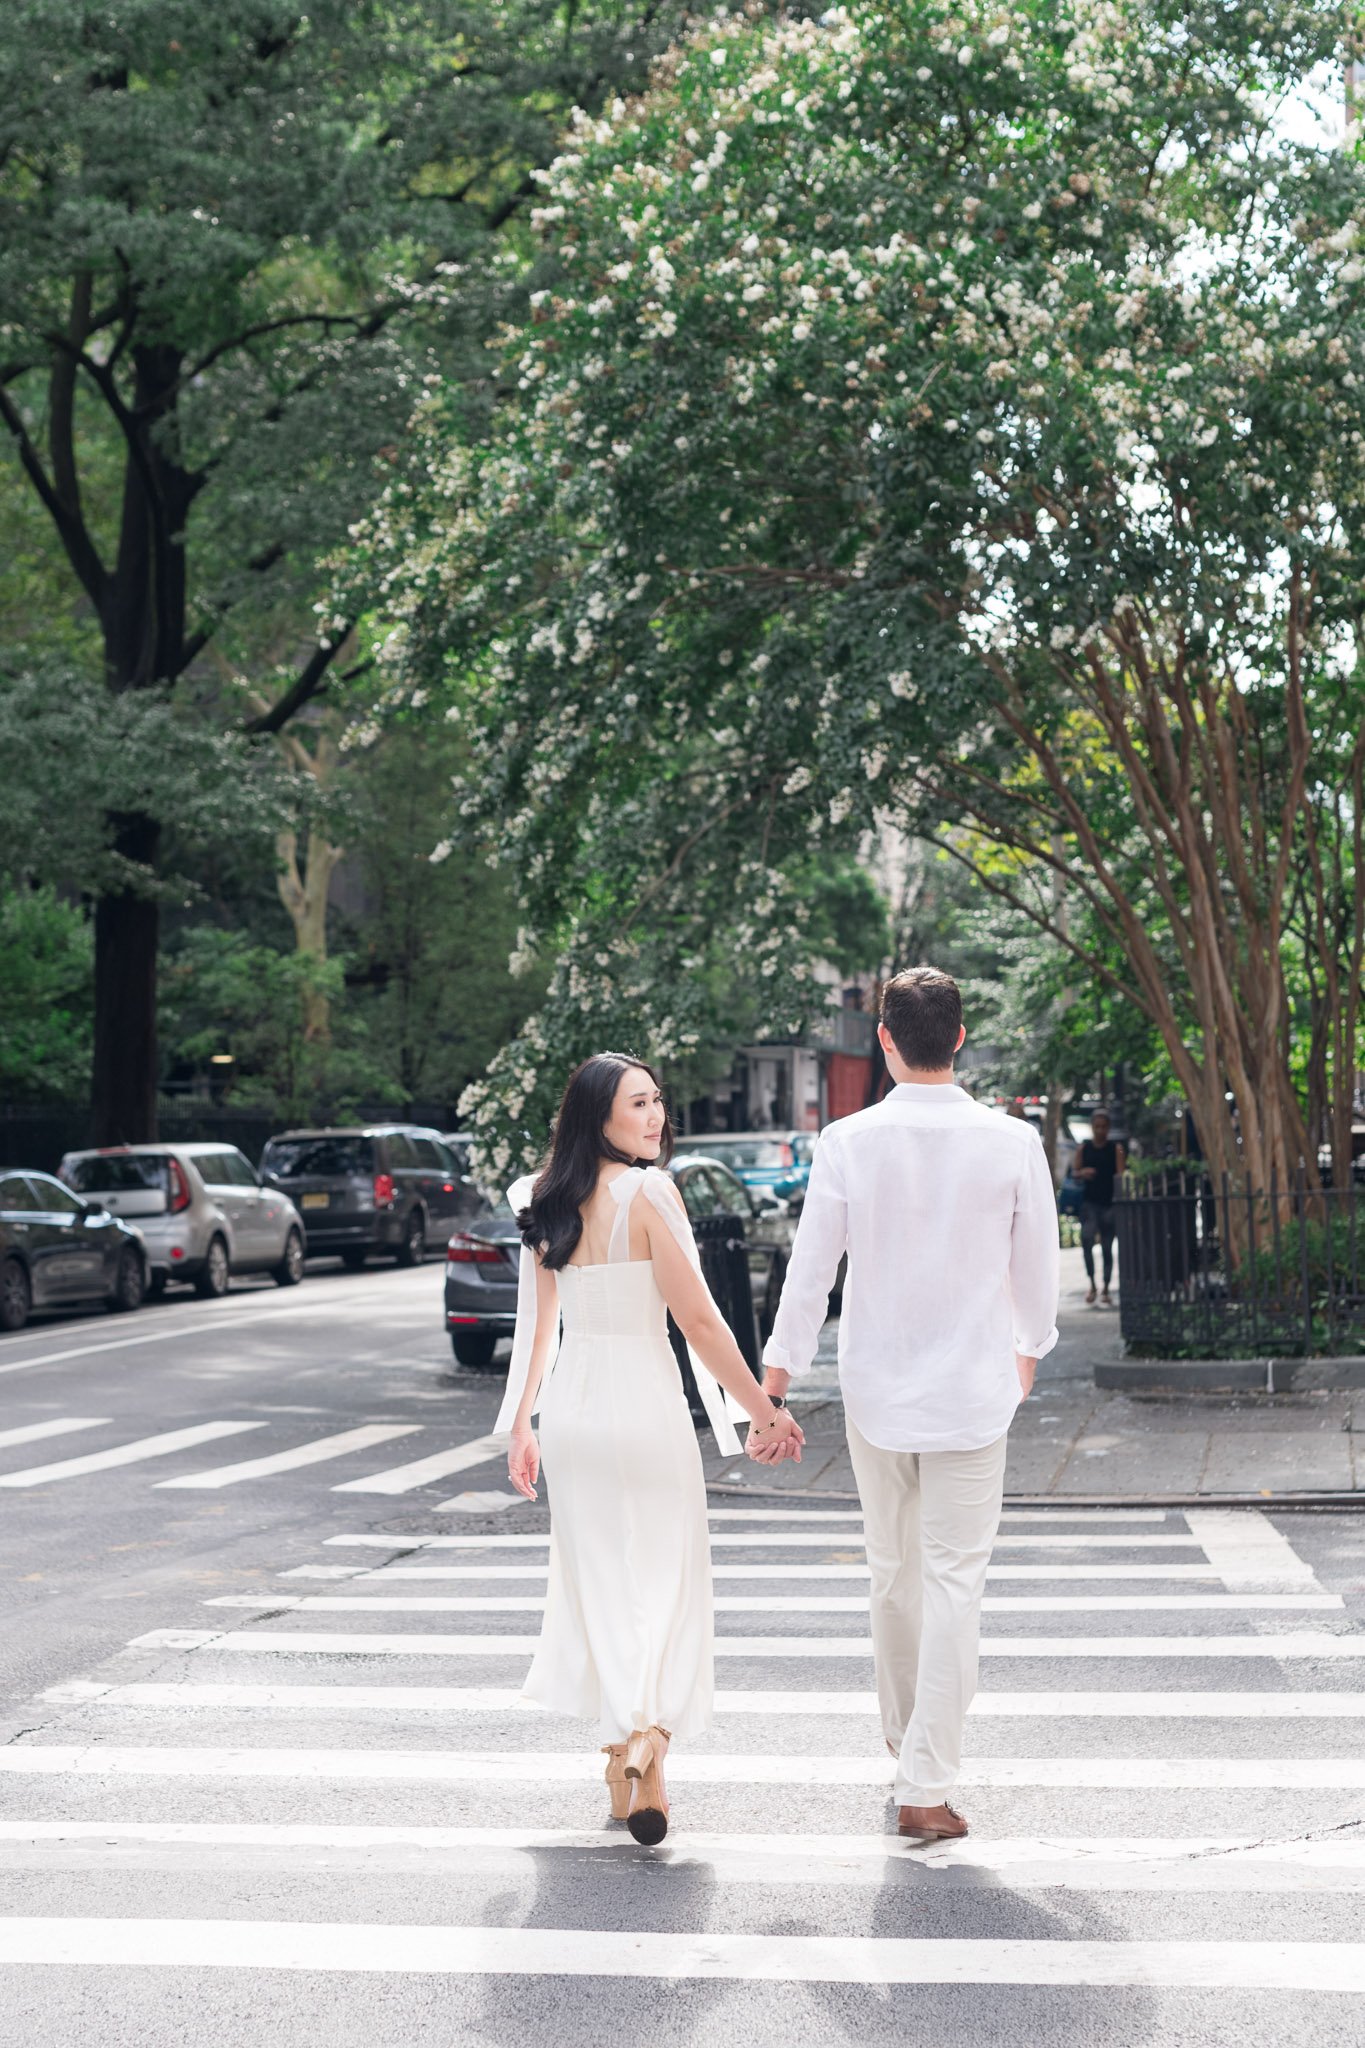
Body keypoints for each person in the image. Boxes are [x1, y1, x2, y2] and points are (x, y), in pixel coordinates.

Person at [753, 966, 1059, 1842]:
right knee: (954, 1579)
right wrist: (1027, 1353)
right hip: (972, 1392)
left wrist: (776, 1384)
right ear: (959, 1037)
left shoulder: (848, 1142)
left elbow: (809, 1276)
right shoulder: (1012, 1142)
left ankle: (905, 1749)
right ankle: (925, 1775)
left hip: (875, 1391)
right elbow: (1034, 1271)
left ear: (884, 1040)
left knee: (892, 1575)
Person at [498, 1051, 804, 1845]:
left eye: (658, 1101)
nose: (655, 1117)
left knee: (597, 1578)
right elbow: (698, 1321)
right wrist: (763, 1412)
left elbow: (538, 1330)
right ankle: (648, 1738)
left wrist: (523, 1424)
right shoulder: (647, 1192)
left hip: (573, 1405)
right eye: (637, 1104)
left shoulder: (546, 1199)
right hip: (640, 1401)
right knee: (666, 1576)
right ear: (597, 1116)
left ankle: (624, 1773)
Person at [1073, 1109, 1126, 1306]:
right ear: (1092, 1127)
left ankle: (1105, 1287)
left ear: (1108, 1128)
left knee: (1107, 1246)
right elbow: (1075, 1172)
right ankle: (1092, 1284)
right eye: (1097, 1126)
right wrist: (1082, 1172)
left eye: (1104, 1126)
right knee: (1087, 1240)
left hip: (1109, 1203)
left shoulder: (1115, 1149)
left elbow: (1120, 1175)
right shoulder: (1083, 1149)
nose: (1100, 1130)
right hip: (1089, 1203)